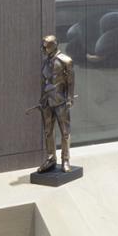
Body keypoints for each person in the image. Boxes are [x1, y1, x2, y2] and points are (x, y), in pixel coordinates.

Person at [37, 34, 75, 173]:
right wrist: (42, 99)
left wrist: (70, 98)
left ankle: (65, 159)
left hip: (60, 101)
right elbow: (44, 81)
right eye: (43, 45)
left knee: (65, 132)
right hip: (47, 101)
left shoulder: (66, 60)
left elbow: (70, 81)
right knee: (48, 131)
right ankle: (51, 158)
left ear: (54, 45)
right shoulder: (45, 61)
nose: (43, 48)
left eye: (46, 45)